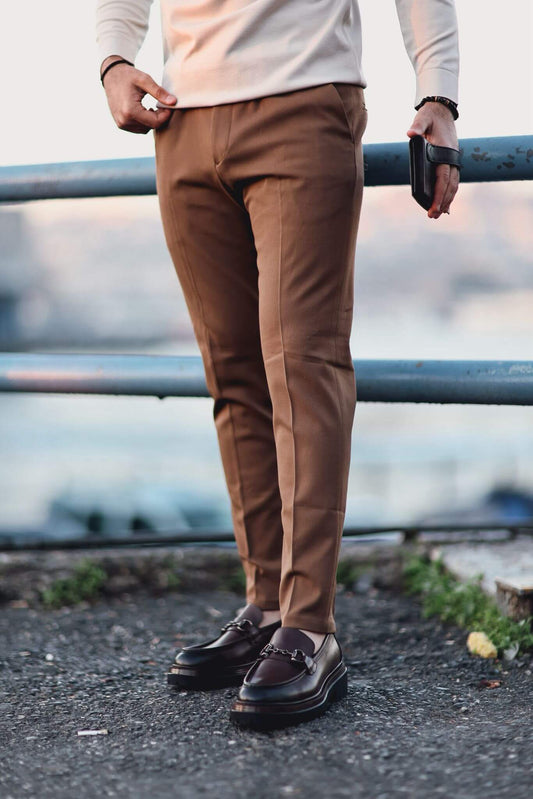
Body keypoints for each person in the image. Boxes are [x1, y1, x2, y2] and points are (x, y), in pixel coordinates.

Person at [96, 0, 460, 729]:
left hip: (304, 102)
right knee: (233, 377)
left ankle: (310, 626)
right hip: (182, 122)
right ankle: (265, 608)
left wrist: (438, 93)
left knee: (303, 364)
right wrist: (112, 61)